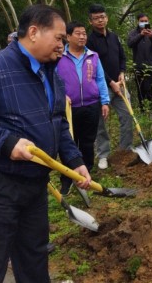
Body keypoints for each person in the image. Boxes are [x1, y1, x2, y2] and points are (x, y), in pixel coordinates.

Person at [0, 4, 91, 282]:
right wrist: (6, 143)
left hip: (34, 189)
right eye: (59, 38)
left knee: (34, 261)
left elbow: (58, 122)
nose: (63, 44)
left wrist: (75, 160)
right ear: (33, 32)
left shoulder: (51, 73)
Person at [57, 22, 110, 195]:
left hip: (90, 106)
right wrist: (60, 95)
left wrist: (105, 101)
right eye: (78, 33)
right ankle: (67, 179)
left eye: (84, 33)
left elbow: (100, 80)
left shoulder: (93, 56)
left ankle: (87, 175)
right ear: (68, 36)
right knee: (68, 143)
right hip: (68, 108)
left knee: (87, 142)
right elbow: (52, 79)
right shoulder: (59, 56)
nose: (82, 37)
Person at [86, 4, 133, 170]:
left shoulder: (114, 37)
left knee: (127, 115)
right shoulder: (89, 41)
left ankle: (125, 150)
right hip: (100, 88)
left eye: (103, 17)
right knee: (100, 123)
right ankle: (103, 155)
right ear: (90, 21)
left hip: (119, 84)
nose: (100, 20)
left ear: (107, 18)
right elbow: (93, 66)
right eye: (96, 18)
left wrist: (121, 72)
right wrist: (110, 83)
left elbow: (122, 56)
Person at [127, 13, 152, 112]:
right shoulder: (133, 33)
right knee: (140, 88)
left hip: (151, 66)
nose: (144, 23)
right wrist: (140, 35)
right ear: (138, 22)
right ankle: (143, 110)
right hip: (138, 66)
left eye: (146, 21)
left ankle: (150, 109)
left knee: (148, 88)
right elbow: (130, 44)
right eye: (142, 21)